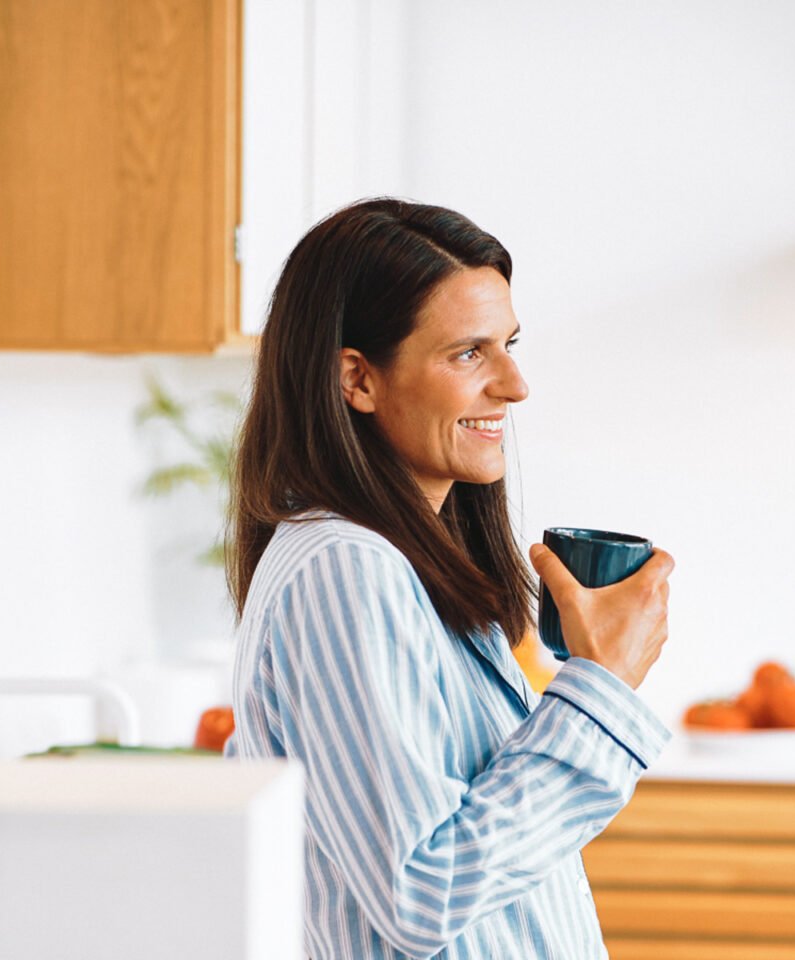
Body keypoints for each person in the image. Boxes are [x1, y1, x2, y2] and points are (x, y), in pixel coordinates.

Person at [227, 198, 674, 959]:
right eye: (469, 353)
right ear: (357, 381)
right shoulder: (346, 569)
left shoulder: (394, 563)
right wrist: (602, 690)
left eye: (508, 344)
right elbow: (418, 893)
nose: (514, 384)